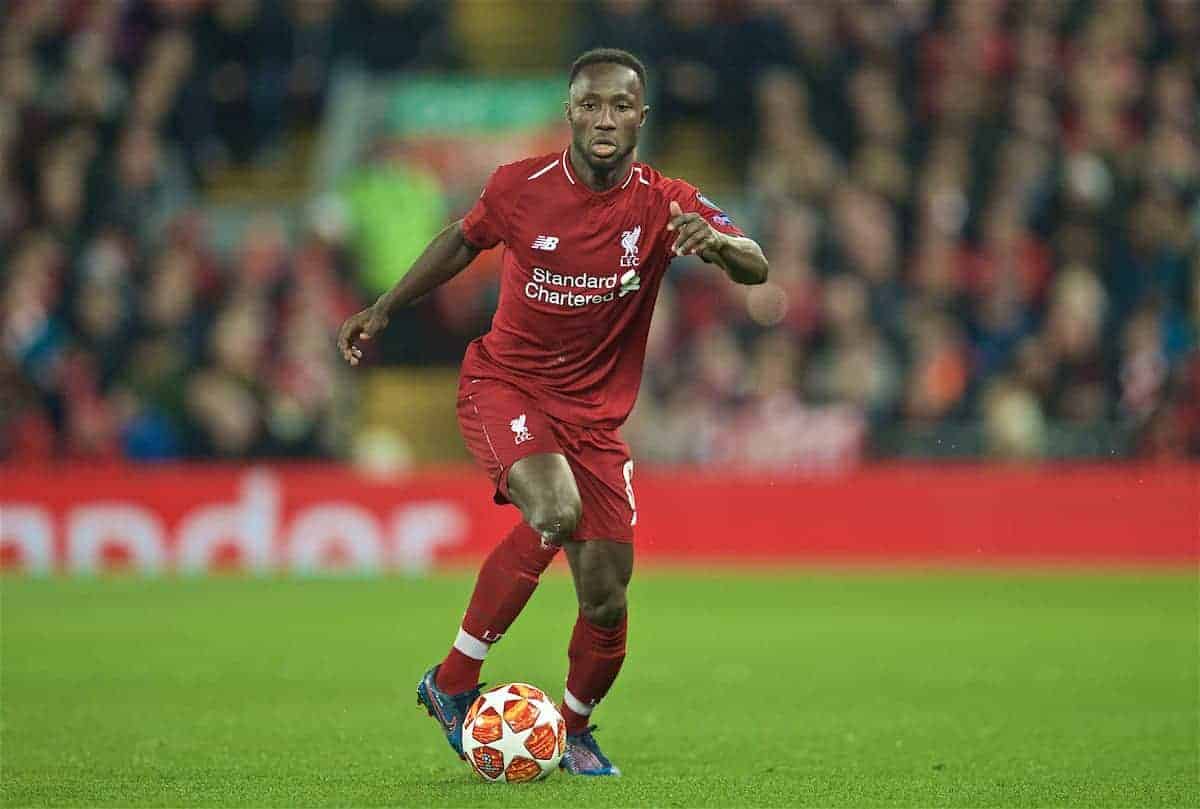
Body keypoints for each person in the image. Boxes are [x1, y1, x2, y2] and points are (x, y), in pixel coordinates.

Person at [337, 48, 768, 777]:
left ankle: (571, 730)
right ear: (571, 112)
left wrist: (720, 243)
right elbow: (459, 241)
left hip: (594, 421)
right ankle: (450, 681)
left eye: (621, 106)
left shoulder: (667, 203)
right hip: (505, 386)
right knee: (554, 512)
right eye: (592, 105)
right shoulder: (520, 186)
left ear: (641, 116)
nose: (605, 119)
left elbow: (757, 263)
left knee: (606, 597)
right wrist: (382, 309)